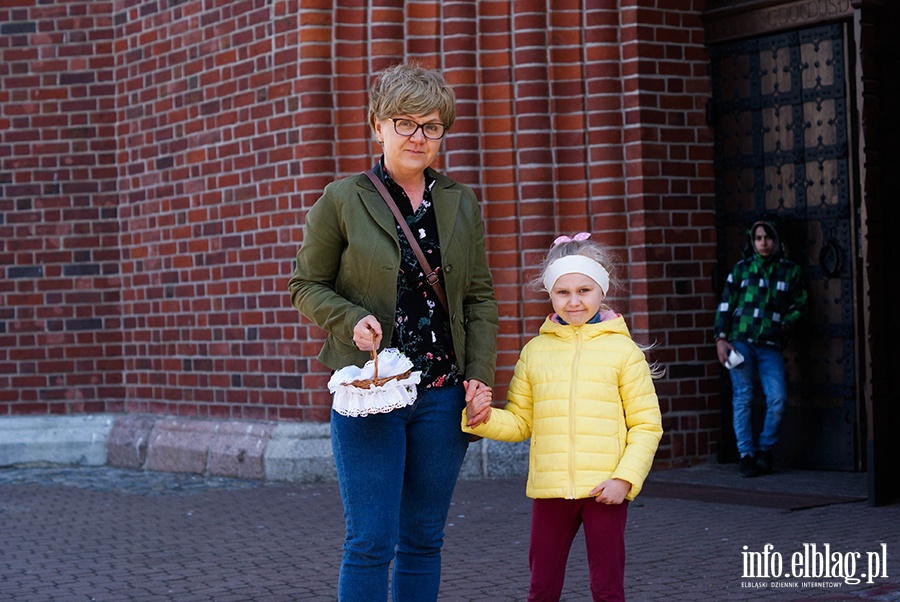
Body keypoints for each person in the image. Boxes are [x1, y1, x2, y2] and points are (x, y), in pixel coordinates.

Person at [287, 61, 498, 602]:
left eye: (431, 126)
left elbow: (477, 298)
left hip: (442, 394)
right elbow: (305, 285)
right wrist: (348, 319)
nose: (417, 137)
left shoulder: (459, 202)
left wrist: (478, 375)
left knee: (424, 538)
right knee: (370, 540)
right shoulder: (342, 198)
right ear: (377, 125)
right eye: (404, 122)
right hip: (371, 390)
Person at [463, 233, 663, 602]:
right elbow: (522, 422)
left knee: (606, 588)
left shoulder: (624, 352)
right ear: (550, 295)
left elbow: (647, 425)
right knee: (541, 589)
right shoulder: (535, 351)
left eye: (584, 290)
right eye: (563, 292)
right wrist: (481, 417)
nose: (574, 302)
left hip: (605, 491)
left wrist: (624, 479)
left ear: (602, 291)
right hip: (550, 492)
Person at [713, 216, 808, 478]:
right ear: (752, 241)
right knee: (743, 397)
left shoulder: (790, 270)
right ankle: (746, 455)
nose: (763, 243)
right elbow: (725, 305)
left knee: (777, 398)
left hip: (770, 345)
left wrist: (786, 324)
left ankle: (765, 450)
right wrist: (720, 339)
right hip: (741, 342)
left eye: (768, 238)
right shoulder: (741, 269)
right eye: (758, 238)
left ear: (777, 240)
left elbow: (800, 303)